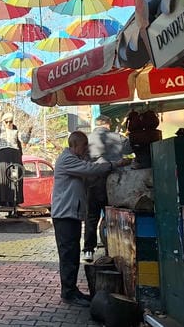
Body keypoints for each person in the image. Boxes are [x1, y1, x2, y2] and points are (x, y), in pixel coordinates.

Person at [51, 131, 129, 307]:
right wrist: (113, 164)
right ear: (75, 144)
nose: (86, 148)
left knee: (71, 254)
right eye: (84, 145)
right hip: (65, 215)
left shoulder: (75, 160)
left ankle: (71, 290)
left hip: (71, 214)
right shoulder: (67, 160)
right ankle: (69, 293)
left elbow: (89, 170)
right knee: (68, 255)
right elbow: (90, 169)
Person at [83, 115, 133, 262]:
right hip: (114, 184)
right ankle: (112, 249)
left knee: (91, 217)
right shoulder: (117, 137)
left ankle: (88, 251)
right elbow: (131, 147)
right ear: (108, 124)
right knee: (112, 217)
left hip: (92, 184)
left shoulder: (87, 139)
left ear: (96, 124)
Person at [0, 112, 31, 207]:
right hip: (3, 155)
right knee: (2, 177)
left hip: (15, 155)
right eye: (6, 122)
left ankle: (14, 200)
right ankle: (2, 200)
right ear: (3, 122)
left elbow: (24, 140)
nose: (8, 124)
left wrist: (29, 132)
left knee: (14, 177)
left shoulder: (16, 131)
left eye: (10, 122)